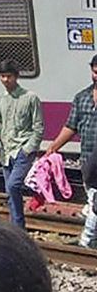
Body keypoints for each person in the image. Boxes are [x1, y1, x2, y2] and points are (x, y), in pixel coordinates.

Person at [45, 54, 97, 246]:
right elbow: (71, 126)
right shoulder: (82, 97)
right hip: (88, 160)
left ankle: (87, 240)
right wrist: (53, 147)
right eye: (94, 72)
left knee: (95, 201)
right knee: (93, 199)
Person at [0, 59, 43, 228]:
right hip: (6, 151)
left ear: (16, 77)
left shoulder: (30, 98)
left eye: (8, 76)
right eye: (2, 76)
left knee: (13, 185)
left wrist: (28, 149)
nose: (5, 80)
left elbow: (38, 127)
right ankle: (17, 227)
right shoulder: (0, 100)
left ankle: (17, 225)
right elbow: (1, 123)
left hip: (22, 149)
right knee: (10, 192)